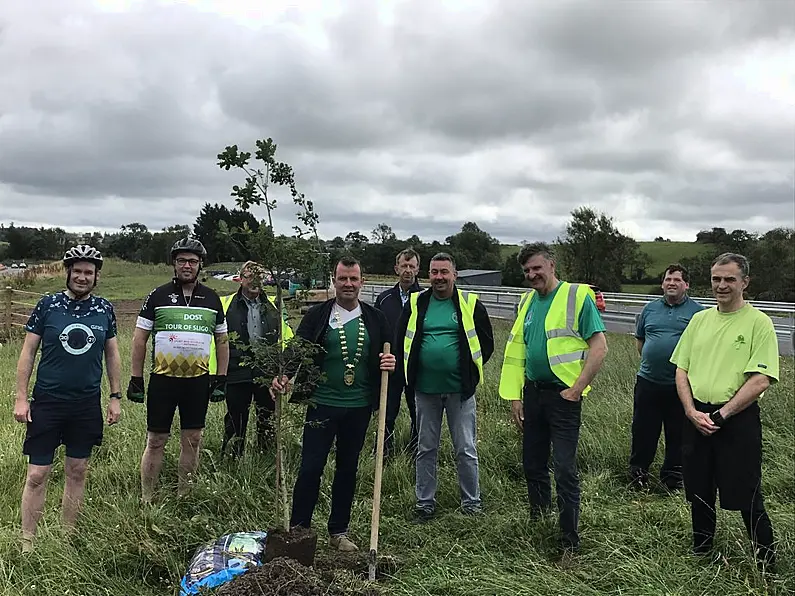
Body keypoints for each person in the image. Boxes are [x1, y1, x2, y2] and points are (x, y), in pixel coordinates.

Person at [272, 256, 394, 552]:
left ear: (362, 282)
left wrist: (390, 363)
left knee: (347, 468)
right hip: (322, 404)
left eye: (354, 279)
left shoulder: (376, 318)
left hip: (359, 406)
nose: (348, 284)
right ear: (334, 281)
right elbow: (298, 347)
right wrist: (284, 375)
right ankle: (300, 528)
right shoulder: (318, 315)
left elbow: (388, 357)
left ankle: (339, 531)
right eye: (343, 279)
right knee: (311, 467)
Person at [670, 253, 778, 572]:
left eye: (730, 279)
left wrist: (722, 415)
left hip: (735, 421)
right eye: (717, 278)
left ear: (745, 282)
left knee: (746, 492)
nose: (722, 285)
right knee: (699, 491)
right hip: (696, 418)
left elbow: (760, 379)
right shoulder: (700, 320)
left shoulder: (759, 323)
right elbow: (681, 368)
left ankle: (766, 563)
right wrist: (690, 411)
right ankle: (702, 553)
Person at [499, 242, 607, 557]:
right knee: (532, 463)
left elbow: (599, 347)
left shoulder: (575, 296)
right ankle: (540, 519)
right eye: (527, 271)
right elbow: (518, 351)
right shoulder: (526, 302)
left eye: (537, 268)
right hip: (532, 393)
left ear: (551, 266)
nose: (532, 275)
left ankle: (569, 538)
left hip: (563, 398)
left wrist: (576, 389)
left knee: (564, 468)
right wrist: (515, 397)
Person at [14, 245, 121, 552]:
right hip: (47, 400)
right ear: (68, 273)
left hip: (85, 403)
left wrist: (115, 396)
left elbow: (112, 353)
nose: (82, 277)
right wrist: (21, 398)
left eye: (89, 272)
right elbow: (28, 352)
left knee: (77, 471)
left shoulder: (104, 310)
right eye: (77, 271)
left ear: (96, 276)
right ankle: (27, 542)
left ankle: (67, 537)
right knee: (37, 473)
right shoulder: (48, 305)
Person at [127, 237, 229, 502]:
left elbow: (222, 340)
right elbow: (139, 338)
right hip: (163, 380)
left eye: (192, 261)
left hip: (197, 381)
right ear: (174, 263)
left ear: (200, 265)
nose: (187, 266)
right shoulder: (158, 295)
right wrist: (136, 378)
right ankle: (147, 497)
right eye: (182, 260)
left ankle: (185, 494)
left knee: (193, 439)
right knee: (156, 440)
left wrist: (221, 378)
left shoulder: (211, 298)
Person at [394, 252, 494, 521]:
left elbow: (486, 345)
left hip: (460, 392)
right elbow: (401, 339)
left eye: (444, 272)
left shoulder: (470, 305)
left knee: (465, 448)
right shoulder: (416, 304)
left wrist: (467, 372)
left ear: (454, 274)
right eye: (434, 272)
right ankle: (425, 504)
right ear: (428, 275)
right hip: (424, 391)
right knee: (426, 448)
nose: (439, 277)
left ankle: (471, 504)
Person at [629, 264, 704, 491]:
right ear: (662, 283)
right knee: (643, 431)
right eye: (668, 279)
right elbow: (640, 342)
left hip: (680, 386)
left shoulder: (698, 313)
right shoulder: (649, 309)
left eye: (677, 280)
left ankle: (672, 479)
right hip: (648, 382)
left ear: (686, 285)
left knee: (678, 434)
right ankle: (638, 476)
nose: (672, 283)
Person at [208, 260, 294, 458]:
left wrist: (283, 372)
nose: (254, 281)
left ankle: (265, 460)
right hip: (236, 372)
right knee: (235, 420)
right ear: (240, 279)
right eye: (249, 276)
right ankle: (231, 460)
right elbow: (215, 341)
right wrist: (215, 375)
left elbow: (287, 339)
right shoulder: (225, 304)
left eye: (259, 277)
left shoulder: (275, 304)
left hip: (268, 375)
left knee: (267, 421)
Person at [373, 248, 422, 456]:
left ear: (418, 270)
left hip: (417, 367)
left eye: (412, 266)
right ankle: (383, 450)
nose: (408, 270)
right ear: (396, 269)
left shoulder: (426, 299)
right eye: (404, 266)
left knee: (418, 412)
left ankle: (417, 451)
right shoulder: (384, 300)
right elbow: (375, 332)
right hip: (391, 367)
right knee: (387, 410)